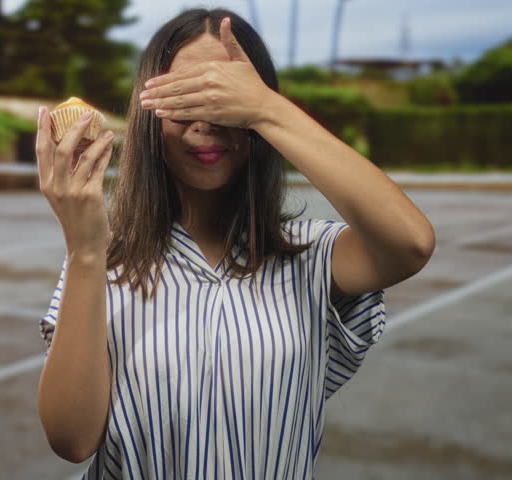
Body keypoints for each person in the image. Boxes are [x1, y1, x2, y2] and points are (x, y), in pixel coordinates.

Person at [34, 8, 435, 480]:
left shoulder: (313, 257)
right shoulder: (102, 261)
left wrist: (267, 109)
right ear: (149, 113)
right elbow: (72, 440)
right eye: (185, 95)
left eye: (223, 96)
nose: (206, 120)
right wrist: (84, 253)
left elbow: (411, 243)